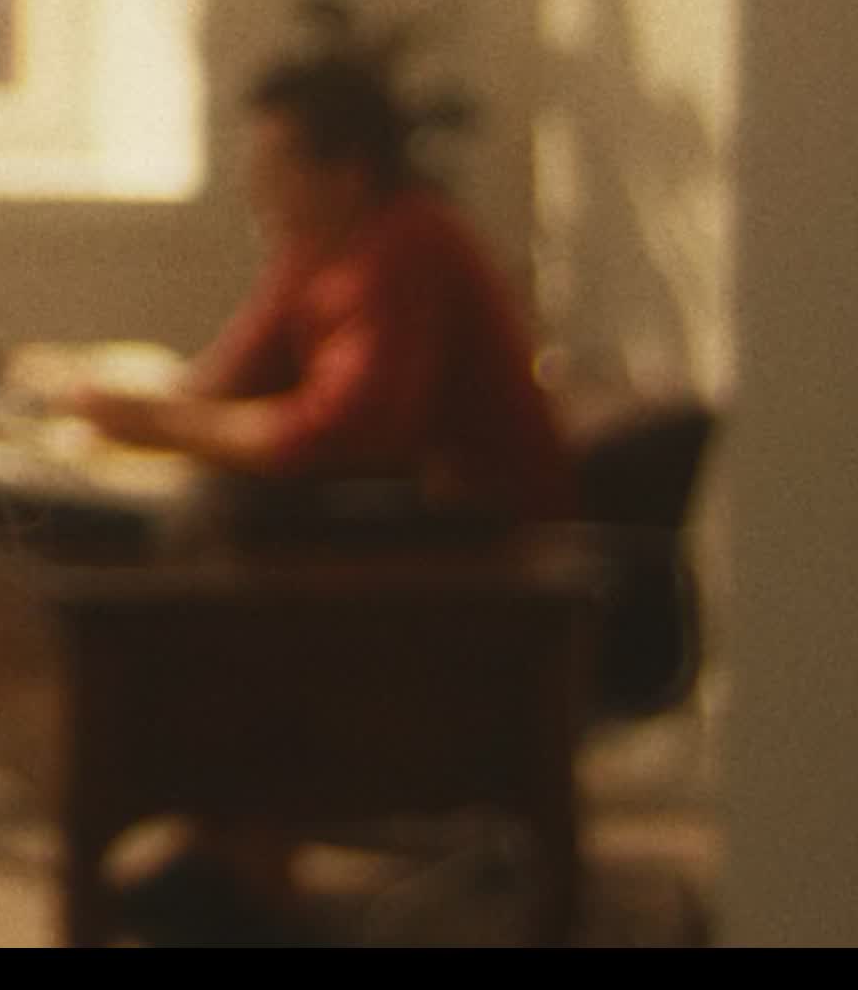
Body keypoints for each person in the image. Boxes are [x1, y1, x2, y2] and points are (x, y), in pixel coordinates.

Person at [65, 52, 575, 942]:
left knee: (229, 554)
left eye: (277, 169)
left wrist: (160, 425)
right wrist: (126, 406)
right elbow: (230, 386)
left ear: (347, 174)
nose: (258, 192)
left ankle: (254, 865)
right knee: (203, 543)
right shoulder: (316, 247)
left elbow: (342, 433)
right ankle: (232, 844)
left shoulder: (408, 246)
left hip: (479, 564)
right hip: (387, 534)